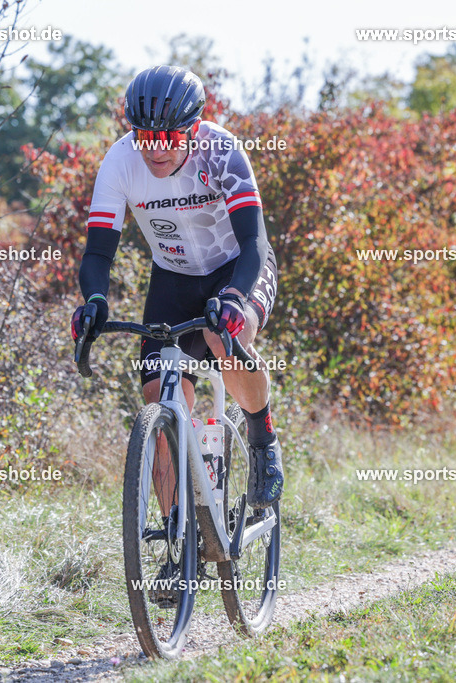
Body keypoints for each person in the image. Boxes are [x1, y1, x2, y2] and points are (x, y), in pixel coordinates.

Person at [70, 64, 283, 514]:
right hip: (173, 276)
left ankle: (262, 437)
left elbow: (254, 241)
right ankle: (176, 533)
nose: (155, 150)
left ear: (193, 129)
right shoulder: (119, 162)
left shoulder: (221, 150)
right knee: (156, 392)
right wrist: (94, 300)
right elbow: (97, 255)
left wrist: (236, 298)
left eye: (168, 138)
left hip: (238, 266)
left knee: (221, 339)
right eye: (146, 138)